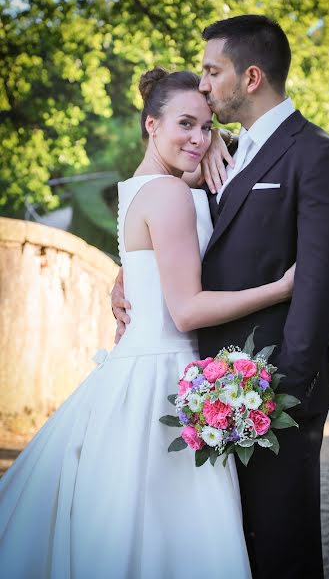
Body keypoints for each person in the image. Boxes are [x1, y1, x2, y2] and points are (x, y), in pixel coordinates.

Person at [0, 67, 297, 578]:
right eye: (186, 124)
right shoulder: (170, 195)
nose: (200, 139)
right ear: (150, 124)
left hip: (135, 369)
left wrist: (219, 143)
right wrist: (282, 287)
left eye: (207, 127)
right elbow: (185, 310)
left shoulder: (141, 188)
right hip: (164, 375)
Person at [112, 16, 329, 578]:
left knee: (281, 554)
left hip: (270, 400)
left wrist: (278, 399)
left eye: (211, 71)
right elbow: (175, 243)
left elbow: (319, 289)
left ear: (251, 77)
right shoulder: (219, 154)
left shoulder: (320, 157)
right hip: (206, 394)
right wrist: (129, 278)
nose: (202, 84)